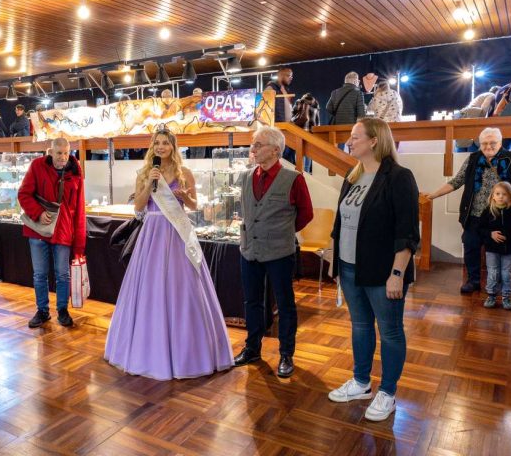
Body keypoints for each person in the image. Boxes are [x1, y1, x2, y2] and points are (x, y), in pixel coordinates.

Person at [104, 128, 233, 380]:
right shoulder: (145, 173)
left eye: (166, 143)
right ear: (152, 147)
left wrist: (186, 196)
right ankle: (148, 352)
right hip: (152, 234)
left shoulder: (185, 173)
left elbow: (195, 206)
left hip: (177, 233)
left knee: (181, 288)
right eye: (157, 143)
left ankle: (191, 353)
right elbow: (139, 207)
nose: (161, 147)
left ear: (173, 147)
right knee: (151, 288)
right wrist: (149, 185)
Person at [327, 117, 420, 422]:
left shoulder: (398, 177)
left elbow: (406, 231)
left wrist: (397, 273)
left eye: (355, 137)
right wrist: (335, 261)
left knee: (390, 331)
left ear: (374, 141)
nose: (349, 142)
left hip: (383, 270)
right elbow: (341, 223)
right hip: (351, 266)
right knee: (360, 326)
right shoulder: (352, 176)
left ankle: (388, 392)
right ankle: (361, 382)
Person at [233, 126, 313, 378]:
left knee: (286, 303)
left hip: (279, 253)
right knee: (252, 301)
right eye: (252, 144)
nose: (252, 149)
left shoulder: (294, 178)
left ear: (276, 150)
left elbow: (306, 214)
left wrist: (282, 232)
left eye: (258, 145)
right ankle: (252, 348)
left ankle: (286, 354)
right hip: (250, 251)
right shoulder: (246, 177)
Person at [427, 127, 511, 293]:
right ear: (479, 144)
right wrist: (433, 195)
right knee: (470, 247)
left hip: (500, 217)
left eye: (493, 143)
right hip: (474, 215)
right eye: (484, 143)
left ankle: (495, 284)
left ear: (501, 142)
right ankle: (473, 281)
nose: (488, 147)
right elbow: (456, 181)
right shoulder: (473, 158)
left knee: (498, 252)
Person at [17, 138, 85, 328]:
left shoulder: (75, 171)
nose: (63, 157)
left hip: (63, 231)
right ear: (51, 152)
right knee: (39, 274)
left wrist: (79, 242)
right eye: (58, 153)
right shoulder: (37, 166)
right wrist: (38, 213)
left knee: (63, 274)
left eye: (65, 153)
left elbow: (80, 208)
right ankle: (42, 311)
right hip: (38, 230)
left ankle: (62, 310)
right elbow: (24, 194)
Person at [479, 182, 511, 311]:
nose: (501, 197)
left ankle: (506, 297)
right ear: (493, 196)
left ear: (510, 197)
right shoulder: (488, 211)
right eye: (498, 194)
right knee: (493, 273)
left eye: (504, 194)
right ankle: (491, 296)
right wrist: (490, 234)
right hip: (492, 250)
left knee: (506, 274)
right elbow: (479, 228)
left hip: (509, 250)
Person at [264, 67, 297, 163]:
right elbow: (265, 109)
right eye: (288, 75)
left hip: (287, 128)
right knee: (283, 155)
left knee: (290, 156)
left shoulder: (284, 89)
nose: (291, 78)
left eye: (291, 76)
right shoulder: (271, 88)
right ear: (280, 75)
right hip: (278, 128)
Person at [454, 86, 499, 152]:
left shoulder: (483, 95)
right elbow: (484, 109)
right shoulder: (492, 96)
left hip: (465, 118)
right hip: (473, 119)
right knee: (472, 146)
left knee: (462, 143)